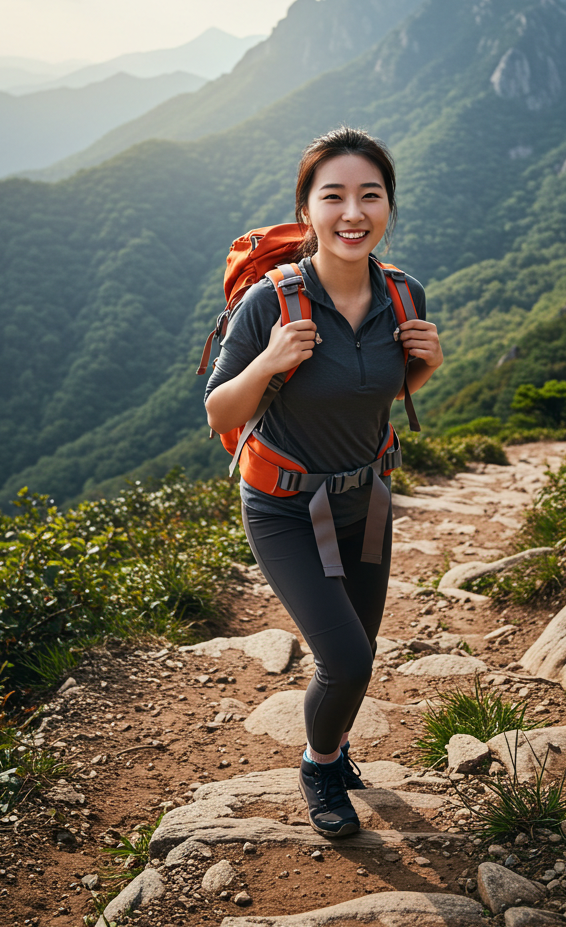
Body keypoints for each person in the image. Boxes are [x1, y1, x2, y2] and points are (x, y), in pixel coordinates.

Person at [204, 126, 443, 837]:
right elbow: (219, 411)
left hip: (366, 502)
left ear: (389, 206)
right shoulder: (270, 304)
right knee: (346, 659)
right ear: (305, 209)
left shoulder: (404, 294)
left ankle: (332, 750)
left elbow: (376, 391)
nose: (353, 213)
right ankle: (319, 765)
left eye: (370, 195)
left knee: (356, 657)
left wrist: (427, 366)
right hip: (282, 507)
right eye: (333, 196)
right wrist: (268, 361)